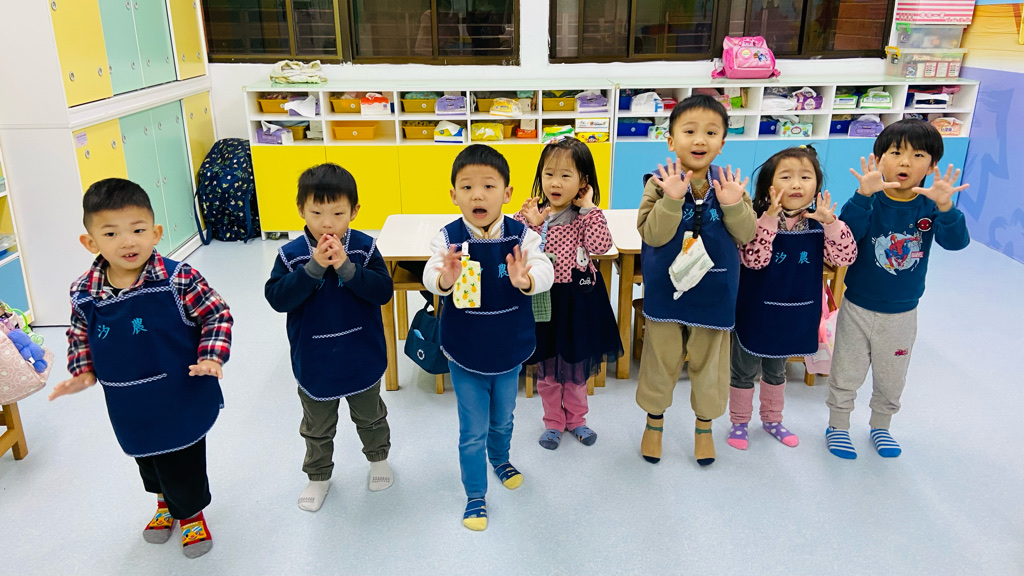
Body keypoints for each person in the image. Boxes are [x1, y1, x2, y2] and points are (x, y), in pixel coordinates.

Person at [50, 178, 233, 559]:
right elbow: (79, 333)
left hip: (178, 392)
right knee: (145, 456)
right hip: (128, 399)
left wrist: (211, 357)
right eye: (111, 233)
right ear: (90, 242)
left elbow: (216, 314)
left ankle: (191, 514)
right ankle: (164, 502)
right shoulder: (83, 291)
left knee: (181, 458)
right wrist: (82, 370)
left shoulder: (178, 278)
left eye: (137, 230)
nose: (127, 242)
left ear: (155, 233)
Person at [423, 144, 554, 531]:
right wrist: (443, 278)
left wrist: (527, 279)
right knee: (472, 431)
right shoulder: (447, 238)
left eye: (488, 186)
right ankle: (475, 495)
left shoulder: (522, 236)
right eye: (467, 187)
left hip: (509, 348)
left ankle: (500, 458)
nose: (477, 195)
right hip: (465, 351)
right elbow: (431, 273)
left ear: (507, 193)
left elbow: (544, 269)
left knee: (503, 419)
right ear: (454, 195)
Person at [825, 119, 970, 459]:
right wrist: (863, 195)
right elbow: (847, 237)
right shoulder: (869, 200)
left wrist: (946, 208)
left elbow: (956, 242)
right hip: (857, 306)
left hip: (902, 312)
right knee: (846, 370)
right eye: (895, 152)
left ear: (931, 166)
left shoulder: (930, 205)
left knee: (892, 377)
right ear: (878, 159)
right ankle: (838, 426)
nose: (905, 162)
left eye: (918, 155)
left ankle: (881, 426)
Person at [635, 94, 757, 466]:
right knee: (660, 362)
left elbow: (747, 234)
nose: (700, 139)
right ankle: (654, 424)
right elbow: (652, 235)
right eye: (689, 131)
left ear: (722, 142)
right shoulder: (658, 184)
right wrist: (671, 199)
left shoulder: (731, 184)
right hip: (666, 292)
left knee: (710, 366)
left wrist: (734, 204)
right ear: (671, 141)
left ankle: (704, 428)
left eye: (711, 132)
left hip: (715, 293)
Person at [265, 163, 395, 511]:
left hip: (361, 354)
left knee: (371, 416)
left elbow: (383, 291)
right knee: (317, 426)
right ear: (300, 210)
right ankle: (318, 475)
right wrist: (313, 268)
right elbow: (278, 298)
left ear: (354, 211)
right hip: (315, 360)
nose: (327, 223)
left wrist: (347, 268)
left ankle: (379, 460)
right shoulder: (290, 255)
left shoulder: (364, 248)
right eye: (316, 213)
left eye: (337, 213)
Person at [727, 145, 857, 450]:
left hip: (794, 313)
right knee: (743, 370)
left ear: (817, 185)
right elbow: (754, 260)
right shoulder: (755, 219)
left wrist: (831, 223)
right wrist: (770, 219)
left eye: (805, 177)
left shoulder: (819, 224)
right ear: (769, 186)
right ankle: (739, 422)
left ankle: (772, 420)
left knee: (777, 371)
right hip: (755, 312)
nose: (796, 184)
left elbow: (845, 257)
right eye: (786, 177)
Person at [513, 137, 621, 450]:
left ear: (583, 181)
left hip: (578, 301)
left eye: (565, 175)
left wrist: (589, 209)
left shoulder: (585, 215)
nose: (555, 183)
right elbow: (519, 249)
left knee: (575, 368)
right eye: (549, 174)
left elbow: (601, 246)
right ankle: (553, 423)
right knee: (547, 368)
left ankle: (576, 420)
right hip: (544, 300)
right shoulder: (530, 214)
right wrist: (535, 225)